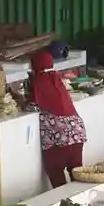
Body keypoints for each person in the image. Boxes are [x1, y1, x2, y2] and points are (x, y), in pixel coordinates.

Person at [27, 48, 87, 188]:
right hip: (77, 132)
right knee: (78, 175)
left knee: (56, 173)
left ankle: (63, 200)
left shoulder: (40, 81)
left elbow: (33, 102)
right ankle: (81, 198)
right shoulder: (56, 78)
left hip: (59, 135)